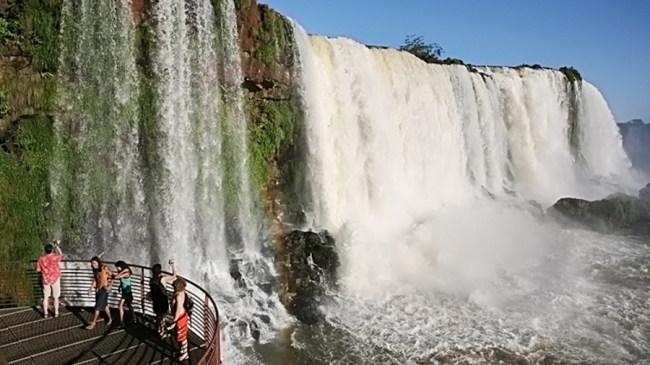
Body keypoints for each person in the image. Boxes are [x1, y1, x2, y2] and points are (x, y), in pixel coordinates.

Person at [149, 260, 176, 338]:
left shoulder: (151, 280)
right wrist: (173, 265)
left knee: (158, 316)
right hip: (162, 301)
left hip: (155, 301)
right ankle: (162, 332)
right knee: (163, 317)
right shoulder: (162, 279)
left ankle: (157, 330)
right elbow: (174, 275)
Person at [36, 240, 63, 318]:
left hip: (45, 279)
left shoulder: (41, 259)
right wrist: (57, 246)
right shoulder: (55, 257)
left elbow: (38, 270)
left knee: (46, 296)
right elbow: (61, 254)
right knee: (56, 296)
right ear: (52, 250)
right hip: (55, 278)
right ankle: (56, 313)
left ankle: (45, 313)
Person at [86, 256, 113, 330]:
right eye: (92, 264)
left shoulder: (105, 268)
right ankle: (110, 318)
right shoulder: (95, 270)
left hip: (104, 290)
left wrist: (110, 285)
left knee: (97, 307)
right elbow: (95, 279)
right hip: (98, 290)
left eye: (94, 263)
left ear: (98, 262)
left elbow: (112, 276)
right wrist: (91, 288)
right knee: (105, 305)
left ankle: (93, 324)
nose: (93, 265)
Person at [167, 277, 189, 361]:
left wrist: (174, 320)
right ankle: (181, 351)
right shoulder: (181, 292)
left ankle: (185, 353)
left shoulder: (178, 296)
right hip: (181, 316)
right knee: (179, 336)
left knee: (182, 337)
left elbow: (178, 309)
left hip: (180, 318)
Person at [113, 261, 134, 327]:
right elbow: (123, 281)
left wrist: (122, 271)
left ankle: (122, 322)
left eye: (117, 267)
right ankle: (134, 318)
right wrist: (120, 286)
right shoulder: (125, 271)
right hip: (125, 291)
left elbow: (117, 277)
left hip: (126, 293)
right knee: (129, 305)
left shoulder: (126, 273)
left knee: (120, 306)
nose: (117, 269)